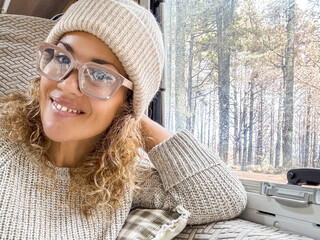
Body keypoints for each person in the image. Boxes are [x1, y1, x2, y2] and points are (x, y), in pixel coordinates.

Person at [0, 0, 247, 239]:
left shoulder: (120, 180)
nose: (67, 85)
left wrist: (133, 115)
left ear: (127, 101)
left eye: (99, 74)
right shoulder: (5, 146)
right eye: (63, 58)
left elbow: (222, 196)